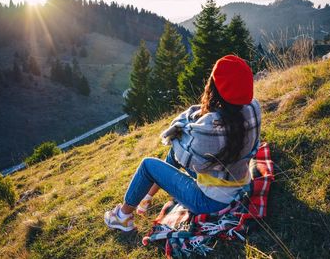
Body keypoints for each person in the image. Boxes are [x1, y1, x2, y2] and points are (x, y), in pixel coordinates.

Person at [104, 55, 261, 232]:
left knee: (149, 165)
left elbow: (182, 147)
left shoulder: (209, 127)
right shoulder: (253, 108)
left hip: (211, 202)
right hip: (240, 182)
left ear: (215, 87)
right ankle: (146, 197)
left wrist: (182, 128)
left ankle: (122, 217)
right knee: (175, 153)